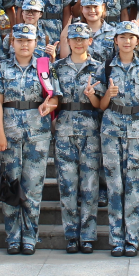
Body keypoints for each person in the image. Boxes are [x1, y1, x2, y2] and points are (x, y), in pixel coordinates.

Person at [0, 24, 58, 255]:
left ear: (36, 43)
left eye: (29, 40)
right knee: (10, 184)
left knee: (33, 187)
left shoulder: (44, 66)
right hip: (9, 132)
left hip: (37, 133)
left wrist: (49, 105)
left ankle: (29, 236)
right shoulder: (2, 67)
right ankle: (12, 237)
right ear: (12, 42)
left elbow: (55, 98)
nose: (24, 44)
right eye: (19, 40)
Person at [98, 22, 139, 256]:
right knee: (115, 186)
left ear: (138, 41)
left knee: (134, 186)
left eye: (131, 37)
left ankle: (132, 239)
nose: (127, 41)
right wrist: (108, 95)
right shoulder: (105, 67)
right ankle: (116, 240)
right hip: (111, 129)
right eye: (122, 37)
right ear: (115, 40)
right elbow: (101, 105)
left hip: (138, 128)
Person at [52, 23, 105, 254]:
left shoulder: (98, 67)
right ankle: (71, 235)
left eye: (83, 39)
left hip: (90, 130)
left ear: (90, 41)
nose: (78, 43)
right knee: (67, 184)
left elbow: (101, 104)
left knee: (90, 185)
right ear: (68, 41)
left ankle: (88, 236)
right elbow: (53, 99)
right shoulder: (56, 67)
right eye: (74, 38)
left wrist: (91, 95)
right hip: (64, 129)